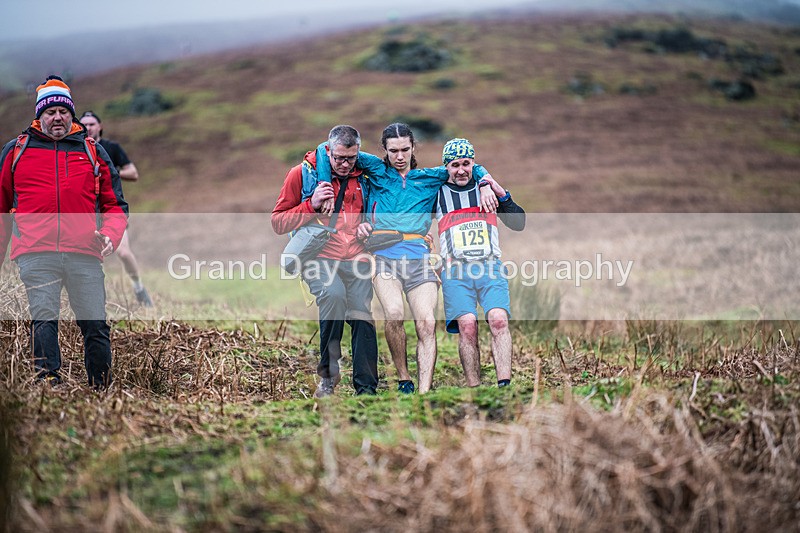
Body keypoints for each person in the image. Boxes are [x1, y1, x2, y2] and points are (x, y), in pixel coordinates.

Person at [312, 123, 497, 394]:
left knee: (427, 322)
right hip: (383, 258)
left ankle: (423, 391)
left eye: (405, 150)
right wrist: (324, 184)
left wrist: (485, 184)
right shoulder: (376, 169)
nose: (400, 156)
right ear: (384, 150)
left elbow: (468, 167)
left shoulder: (429, 178)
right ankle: (403, 378)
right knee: (395, 314)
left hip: (419, 260)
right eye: (393, 151)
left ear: (413, 148)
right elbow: (323, 148)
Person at [0, 76, 128, 388]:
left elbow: (115, 204)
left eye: (63, 111)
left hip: (84, 252)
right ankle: (49, 383)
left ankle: (101, 387)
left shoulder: (92, 151)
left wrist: (111, 234)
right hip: (36, 252)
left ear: (71, 114)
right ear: (39, 115)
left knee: (95, 323)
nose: (57, 117)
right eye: (50, 112)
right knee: (44, 317)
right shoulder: (16, 151)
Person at [271, 125, 378, 397]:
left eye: (351, 158)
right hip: (319, 257)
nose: (345, 165)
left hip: (357, 258)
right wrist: (312, 205)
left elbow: (376, 212)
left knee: (362, 315)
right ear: (328, 151)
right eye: (339, 158)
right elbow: (278, 222)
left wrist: (369, 227)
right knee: (333, 295)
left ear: (358, 152)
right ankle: (328, 376)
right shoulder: (301, 174)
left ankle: (367, 389)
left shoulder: (365, 177)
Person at [435, 138, 525, 388]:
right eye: (455, 165)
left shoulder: (487, 188)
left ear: (474, 163)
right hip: (455, 270)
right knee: (467, 326)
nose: (461, 170)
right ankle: (475, 388)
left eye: (466, 163)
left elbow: (519, 223)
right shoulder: (438, 193)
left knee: (498, 320)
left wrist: (499, 192)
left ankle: (504, 385)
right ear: (446, 167)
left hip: (489, 266)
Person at [79, 111, 152, 307]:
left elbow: (133, 173)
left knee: (124, 254)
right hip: (86, 214)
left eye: (92, 124)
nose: (88, 127)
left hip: (111, 212)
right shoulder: (76, 149)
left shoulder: (111, 148)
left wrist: (110, 171)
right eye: (84, 124)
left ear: (100, 126)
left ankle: (139, 288)